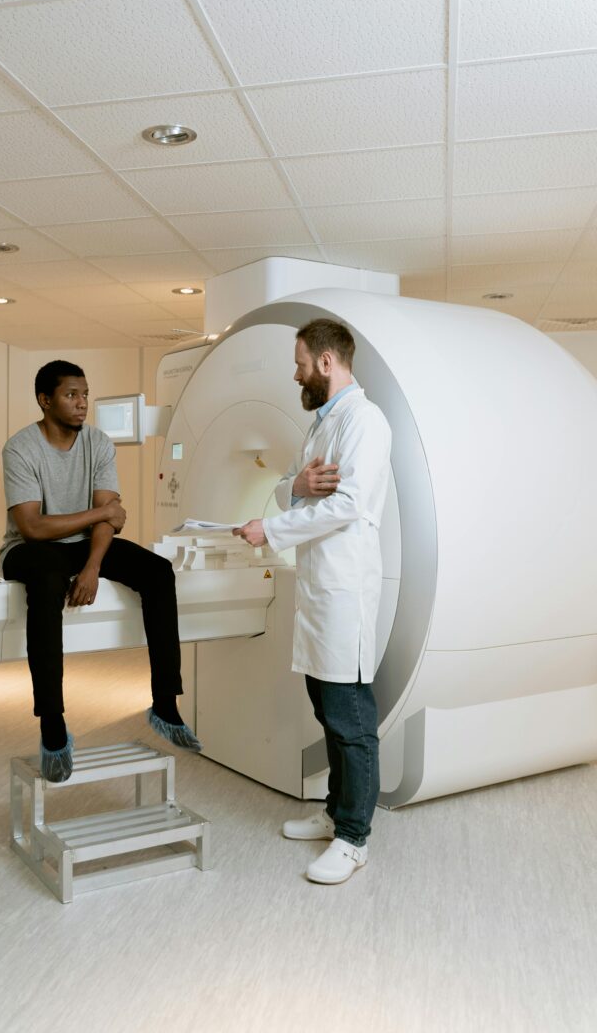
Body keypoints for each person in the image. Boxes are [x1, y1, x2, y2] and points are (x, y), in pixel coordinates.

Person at [234, 319, 391, 885]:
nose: (295, 371)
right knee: (327, 708)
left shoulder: (364, 422)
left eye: (300, 362)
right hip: (320, 588)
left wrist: (271, 531)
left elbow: (348, 504)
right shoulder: (323, 423)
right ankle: (334, 815)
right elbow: (290, 487)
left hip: (343, 588)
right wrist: (295, 490)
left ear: (326, 363)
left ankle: (354, 839)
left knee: (350, 719)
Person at [0, 359, 200, 783]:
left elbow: (111, 520)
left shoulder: (99, 443)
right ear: (44, 400)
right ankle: (52, 725)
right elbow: (32, 525)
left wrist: (93, 566)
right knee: (48, 578)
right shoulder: (20, 448)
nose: (82, 403)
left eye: (85, 394)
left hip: (84, 546)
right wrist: (99, 513)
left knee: (159, 572)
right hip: (29, 549)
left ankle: (164, 704)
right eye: (71, 395)